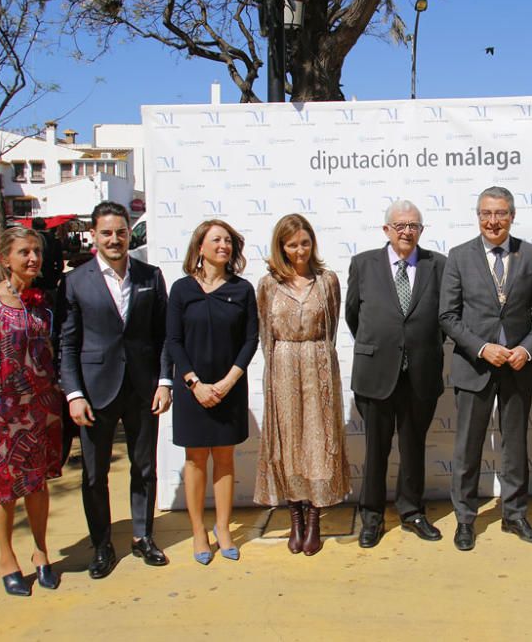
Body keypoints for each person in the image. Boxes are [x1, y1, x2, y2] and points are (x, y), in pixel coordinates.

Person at [59, 201, 173, 578]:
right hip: (94, 393)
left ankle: (143, 536)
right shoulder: (75, 282)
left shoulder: (150, 276)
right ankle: (102, 545)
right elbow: (67, 344)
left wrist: (164, 381)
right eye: (106, 233)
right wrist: (74, 394)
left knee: (144, 468)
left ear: (129, 234)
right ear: (94, 236)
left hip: (142, 389)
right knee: (94, 475)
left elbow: (163, 337)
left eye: (121, 232)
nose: (114, 239)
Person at [439, 186, 532, 551]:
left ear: (512, 216)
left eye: (501, 214)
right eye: (487, 214)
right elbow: (448, 316)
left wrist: (527, 348)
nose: (493, 221)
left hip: (518, 367)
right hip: (475, 366)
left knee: (515, 446)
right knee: (468, 447)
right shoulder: (458, 257)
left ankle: (515, 515)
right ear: (478, 217)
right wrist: (482, 347)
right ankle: (465, 519)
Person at [0, 227, 64, 596]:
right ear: (4, 258)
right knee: (3, 490)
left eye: (36, 251)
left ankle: (41, 552)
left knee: (37, 484)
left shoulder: (42, 303)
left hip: (41, 410)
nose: (33, 259)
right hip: (3, 413)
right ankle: (7, 559)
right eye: (24, 252)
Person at [345, 200, 446, 548]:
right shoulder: (363, 264)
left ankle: (412, 511)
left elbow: (445, 318)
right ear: (386, 229)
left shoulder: (439, 265)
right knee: (375, 450)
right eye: (400, 225)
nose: (407, 231)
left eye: (414, 226)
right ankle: (371, 516)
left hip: (421, 373)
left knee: (413, 447)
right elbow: (353, 316)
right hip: (376, 373)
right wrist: (383, 346)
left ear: (421, 231)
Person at [254, 213, 350, 556]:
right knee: (288, 441)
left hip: (318, 365)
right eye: (292, 244)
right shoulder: (268, 284)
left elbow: (333, 328)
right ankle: (294, 512)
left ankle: (314, 517)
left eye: (305, 243)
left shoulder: (327, 281)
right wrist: (274, 374)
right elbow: (265, 335)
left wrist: (321, 363)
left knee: (318, 440)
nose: (300, 250)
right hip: (282, 366)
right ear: (281, 246)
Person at [166, 220, 259, 564]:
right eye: (216, 239)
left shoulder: (243, 289)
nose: (224, 245)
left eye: (228, 241)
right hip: (193, 390)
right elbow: (173, 341)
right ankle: (198, 532)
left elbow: (251, 340)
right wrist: (194, 384)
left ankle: (222, 528)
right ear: (200, 247)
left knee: (224, 458)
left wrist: (227, 382)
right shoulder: (181, 290)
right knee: (195, 460)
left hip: (229, 388)